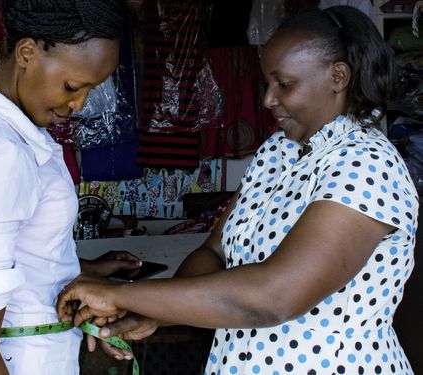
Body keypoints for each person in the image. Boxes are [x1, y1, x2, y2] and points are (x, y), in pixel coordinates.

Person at [57, 6, 419, 374]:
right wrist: (153, 311)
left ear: (337, 76)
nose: (268, 100)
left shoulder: (367, 165)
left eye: (285, 84)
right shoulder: (278, 153)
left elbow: (274, 297)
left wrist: (120, 294)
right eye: (268, 84)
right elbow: (214, 251)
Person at [0, 1, 140, 374]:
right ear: (27, 52)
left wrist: (82, 269)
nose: (79, 104)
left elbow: (7, 245)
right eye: (73, 86)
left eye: (91, 89)